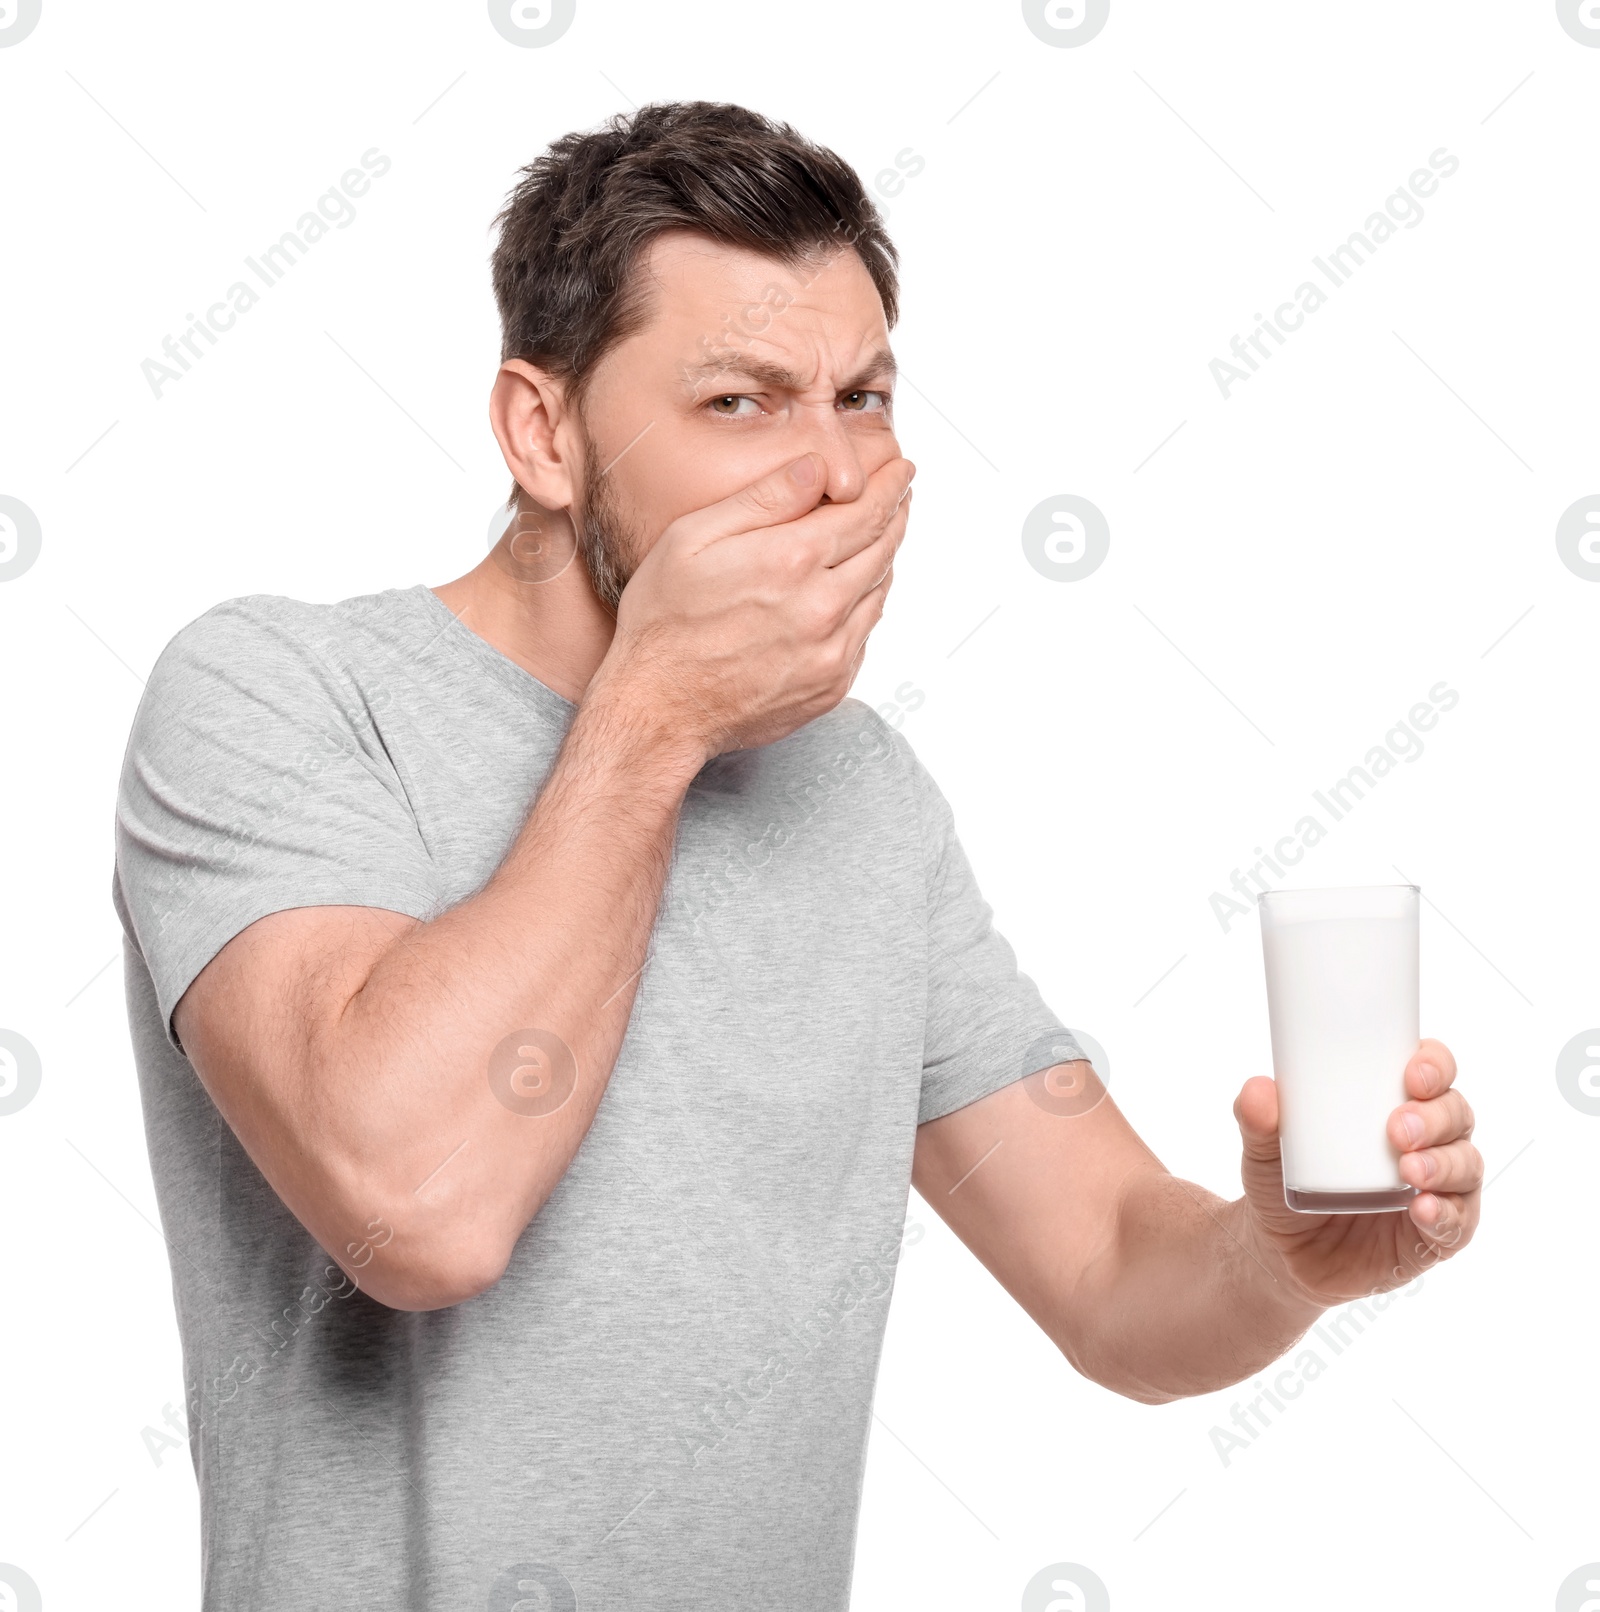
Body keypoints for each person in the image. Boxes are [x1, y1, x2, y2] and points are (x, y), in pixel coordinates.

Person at [113, 101, 1481, 1611]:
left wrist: (1279, 1263)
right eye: (742, 404)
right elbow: (418, 1209)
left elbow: (1106, 1272)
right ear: (543, 432)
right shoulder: (279, 695)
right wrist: (657, 716)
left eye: (864, 396)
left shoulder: (864, 796)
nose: (834, 475)